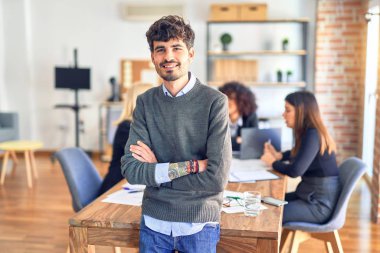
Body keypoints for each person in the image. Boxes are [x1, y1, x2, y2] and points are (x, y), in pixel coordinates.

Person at [120, 15, 231, 253]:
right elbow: (131, 170)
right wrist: (193, 166)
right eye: (160, 50)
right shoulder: (145, 103)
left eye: (176, 48)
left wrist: (158, 170)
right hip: (153, 222)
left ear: (191, 54)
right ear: (152, 57)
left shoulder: (215, 102)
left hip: (199, 224)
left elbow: (216, 178)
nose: (168, 57)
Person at [261, 91, 340, 224]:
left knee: (269, 213)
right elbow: (299, 154)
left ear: (301, 112)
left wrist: (273, 162)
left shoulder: (313, 134)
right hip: (309, 195)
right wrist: (279, 155)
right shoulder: (309, 132)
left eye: (288, 110)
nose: (283, 114)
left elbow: (295, 171)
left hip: (318, 204)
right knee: (265, 201)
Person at [98, 83, 154, 196]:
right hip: (117, 187)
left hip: (131, 183)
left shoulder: (143, 125)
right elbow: (149, 156)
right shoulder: (127, 127)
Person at [219, 81, 258, 151]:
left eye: (231, 98)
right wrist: (238, 140)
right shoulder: (217, 117)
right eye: (224, 97)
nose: (227, 101)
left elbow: (254, 142)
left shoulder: (251, 116)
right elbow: (216, 142)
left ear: (242, 100)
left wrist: (229, 141)